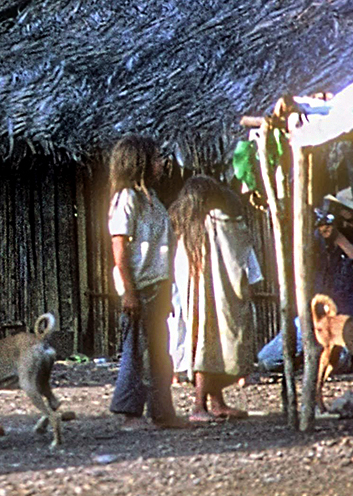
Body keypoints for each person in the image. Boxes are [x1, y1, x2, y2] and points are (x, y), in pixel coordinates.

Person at [107, 134, 185, 429]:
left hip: (158, 283)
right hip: (140, 286)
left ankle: (163, 412)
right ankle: (129, 414)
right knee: (136, 351)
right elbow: (119, 248)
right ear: (139, 163)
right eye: (155, 158)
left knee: (160, 352)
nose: (162, 163)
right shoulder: (126, 199)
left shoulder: (153, 201)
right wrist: (129, 291)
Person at [170, 175, 262, 421]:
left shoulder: (194, 226)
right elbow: (238, 257)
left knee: (210, 342)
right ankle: (199, 406)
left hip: (210, 297)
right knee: (207, 344)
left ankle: (217, 402)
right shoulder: (214, 224)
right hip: (210, 298)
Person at [257, 187, 353, 373]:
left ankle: (315, 360)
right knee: (267, 360)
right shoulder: (315, 239)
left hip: (343, 323)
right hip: (310, 319)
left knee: (339, 363)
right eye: (347, 217)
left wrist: (338, 238)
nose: (352, 223)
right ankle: (308, 360)